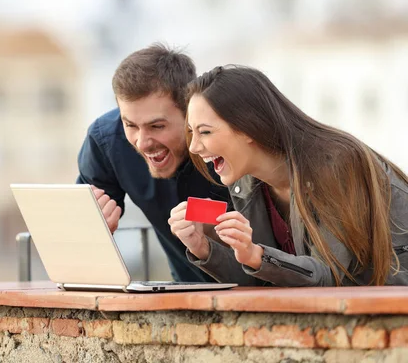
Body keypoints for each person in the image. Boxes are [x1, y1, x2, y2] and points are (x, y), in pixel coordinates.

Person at [169, 65, 408, 286]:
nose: (194, 148)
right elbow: (265, 281)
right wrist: (205, 248)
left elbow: (329, 276)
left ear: (247, 127)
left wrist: (256, 254)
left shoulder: (335, 163)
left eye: (205, 132)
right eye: (192, 132)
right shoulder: (246, 182)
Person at [76, 44, 232, 283]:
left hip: (257, 292)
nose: (142, 143)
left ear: (190, 112)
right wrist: (91, 231)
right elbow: (78, 243)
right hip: (182, 295)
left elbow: (259, 223)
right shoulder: (105, 140)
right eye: (130, 125)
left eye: (157, 126)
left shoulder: (228, 134)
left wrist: (203, 214)